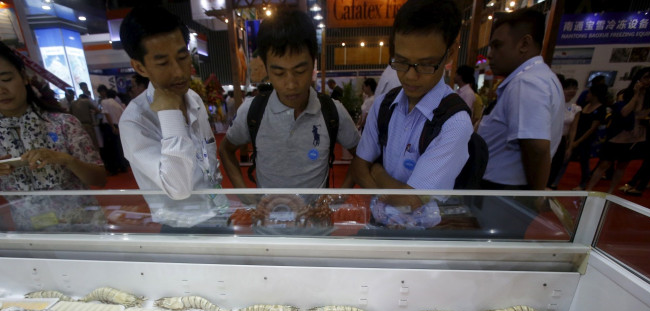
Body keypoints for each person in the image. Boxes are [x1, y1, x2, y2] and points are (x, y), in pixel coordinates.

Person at [0, 36, 106, 230]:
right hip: (31, 231)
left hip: (83, 224)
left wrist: (67, 160)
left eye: (6, 78)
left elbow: (99, 178)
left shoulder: (63, 123)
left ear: (23, 76)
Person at [219, 9, 360, 189]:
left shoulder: (332, 112)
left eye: (300, 71)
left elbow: (362, 156)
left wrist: (339, 197)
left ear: (313, 62)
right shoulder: (253, 111)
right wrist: (245, 194)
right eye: (279, 73)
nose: (291, 84)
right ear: (266, 68)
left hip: (315, 217)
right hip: (270, 216)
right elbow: (225, 150)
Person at [352, 0, 473, 201]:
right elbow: (358, 168)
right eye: (401, 62)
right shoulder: (384, 105)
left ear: (450, 53)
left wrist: (377, 172)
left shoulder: (454, 122)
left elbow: (411, 202)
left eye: (426, 65)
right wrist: (395, 192)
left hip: (424, 231)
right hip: (379, 224)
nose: (410, 76)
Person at [119, 4, 224, 229]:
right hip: (182, 228)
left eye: (182, 56)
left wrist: (224, 208)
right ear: (140, 66)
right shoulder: (135, 121)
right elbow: (179, 189)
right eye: (163, 63)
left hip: (218, 215)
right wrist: (169, 115)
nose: (178, 71)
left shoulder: (193, 98)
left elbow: (209, 166)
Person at [477, 8, 563, 190]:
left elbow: (536, 148)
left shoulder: (527, 83)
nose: (490, 54)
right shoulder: (536, 78)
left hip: (503, 190)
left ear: (524, 44)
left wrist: (534, 196)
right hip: (502, 188)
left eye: (497, 45)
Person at [585, 67, 650, 193]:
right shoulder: (626, 93)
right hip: (618, 134)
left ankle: (610, 191)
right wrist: (636, 94)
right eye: (645, 77)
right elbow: (624, 112)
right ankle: (588, 189)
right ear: (638, 78)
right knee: (605, 163)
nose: (648, 81)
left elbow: (644, 113)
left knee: (622, 165)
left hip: (634, 136)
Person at [551, 83, 608, 190]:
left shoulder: (600, 109)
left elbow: (592, 128)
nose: (587, 95)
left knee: (584, 162)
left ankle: (583, 184)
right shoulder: (584, 105)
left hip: (585, 140)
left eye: (589, 93)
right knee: (564, 161)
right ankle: (555, 182)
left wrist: (577, 141)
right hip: (572, 137)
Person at [547, 77, 581, 189]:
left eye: (574, 88)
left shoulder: (575, 108)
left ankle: (549, 186)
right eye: (568, 88)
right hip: (548, 139)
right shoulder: (553, 103)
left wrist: (570, 147)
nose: (571, 91)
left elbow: (573, 129)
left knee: (556, 167)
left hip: (561, 140)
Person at [97, 85, 126, 174]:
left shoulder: (104, 102)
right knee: (118, 148)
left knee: (110, 150)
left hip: (110, 127)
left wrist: (112, 126)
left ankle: (113, 169)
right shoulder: (118, 105)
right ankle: (122, 166)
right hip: (118, 126)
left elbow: (107, 114)